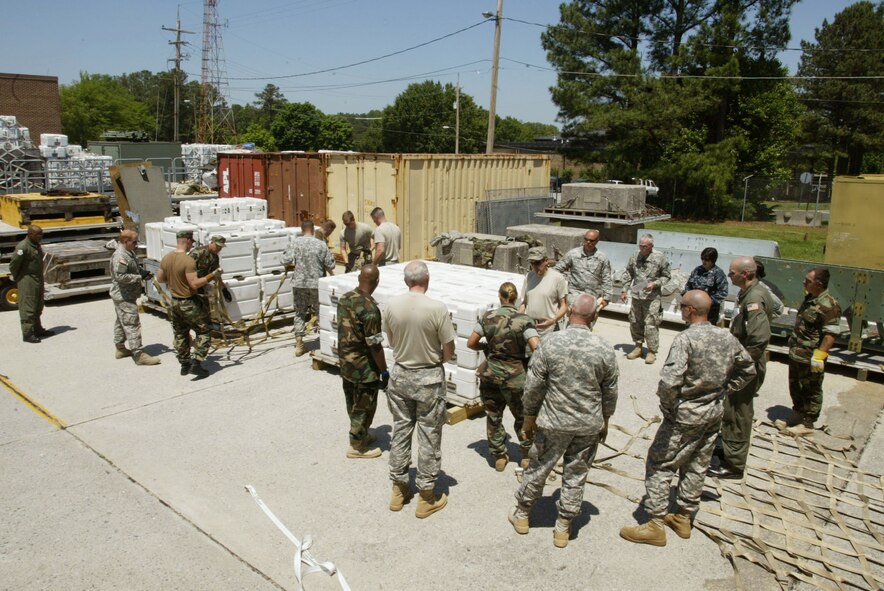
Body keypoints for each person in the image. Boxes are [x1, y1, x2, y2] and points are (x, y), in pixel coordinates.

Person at [619, 291, 755, 546]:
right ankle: (683, 517)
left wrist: (670, 408)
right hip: (712, 414)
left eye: (682, 306)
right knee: (697, 463)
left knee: (660, 464)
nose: (680, 310)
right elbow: (748, 368)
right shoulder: (726, 337)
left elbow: (670, 381)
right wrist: (724, 390)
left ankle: (655, 524)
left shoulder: (686, 339)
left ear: (691, 310)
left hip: (685, 417)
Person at [509, 294, 618, 548]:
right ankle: (563, 527)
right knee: (576, 474)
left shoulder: (550, 343)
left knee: (538, 468)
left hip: (553, 422)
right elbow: (610, 391)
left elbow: (534, 386)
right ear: (594, 317)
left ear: (569, 313)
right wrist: (606, 420)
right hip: (588, 424)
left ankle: (523, 515)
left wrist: (529, 417)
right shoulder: (604, 347)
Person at [383, 261, 455, 518]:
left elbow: (391, 341)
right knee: (429, 435)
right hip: (428, 377)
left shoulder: (391, 305)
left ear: (406, 281)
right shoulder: (437, 308)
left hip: (401, 375)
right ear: (427, 280)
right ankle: (426, 495)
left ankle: (399, 488)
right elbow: (449, 350)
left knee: (401, 430)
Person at [708, 256, 774, 480]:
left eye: (732, 272)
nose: (729, 275)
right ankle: (728, 449)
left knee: (738, 412)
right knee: (731, 407)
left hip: (747, 365)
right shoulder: (748, 293)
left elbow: (758, 338)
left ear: (745, 274)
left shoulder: (754, 298)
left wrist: (741, 365)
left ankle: (734, 464)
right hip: (744, 361)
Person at [467, 282, 540, 472]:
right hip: (516, 378)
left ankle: (499, 456)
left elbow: (471, 342)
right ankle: (525, 454)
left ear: (500, 297)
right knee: (522, 416)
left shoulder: (488, 316)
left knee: (493, 415)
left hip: (490, 375)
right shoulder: (524, 320)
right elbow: (536, 347)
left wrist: (487, 348)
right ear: (515, 298)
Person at [337, 265, 387, 459]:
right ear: (377, 281)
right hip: (364, 366)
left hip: (346, 361)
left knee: (352, 399)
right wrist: (383, 370)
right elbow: (374, 345)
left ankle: (361, 433)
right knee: (365, 403)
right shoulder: (370, 309)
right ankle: (357, 446)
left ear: (359, 278)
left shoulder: (345, 298)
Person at [784, 268, 841, 436]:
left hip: (811, 356)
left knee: (811, 388)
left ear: (819, 284)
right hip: (797, 352)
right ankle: (798, 414)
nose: (804, 282)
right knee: (795, 385)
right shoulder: (811, 298)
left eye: (808, 281)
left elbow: (831, 333)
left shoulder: (829, 305)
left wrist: (820, 355)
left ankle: (808, 424)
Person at [156, 230, 218, 379]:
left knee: (181, 333)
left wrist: (175, 280)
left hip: (174, 302)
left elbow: (160, 279)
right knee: (204, 331)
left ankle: (184, 364)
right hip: (188, 302)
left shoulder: (167, 258)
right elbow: (195, 284)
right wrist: (212, 276)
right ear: (188, 241)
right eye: (192, 242)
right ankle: (196, 363)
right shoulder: (188, 261)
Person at [281, 220, 336, 357]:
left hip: (299, 284)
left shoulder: (295, 242)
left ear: (302, 230)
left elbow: (284, 260)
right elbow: (331, 264)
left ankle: (299, 344)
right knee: (321, 313)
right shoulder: (321, 244)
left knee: (300, 312)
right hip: (316, 285)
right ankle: (324, 342)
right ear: (312, 230)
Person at [110, 229, 160, 366]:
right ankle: (139, 354)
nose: (137, 244)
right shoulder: (120, 256)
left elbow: (131, 268)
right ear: (126, 241)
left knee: (122, 321)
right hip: (123, 296)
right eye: (134, 242)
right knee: (132, 323)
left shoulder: (128, 252)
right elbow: (120, 277)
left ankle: (120, 348)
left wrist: (141, 271)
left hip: (126, 294)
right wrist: (139, 277)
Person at [620, 234, 671, 364]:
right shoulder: (634, 256)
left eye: (645, 246)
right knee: (635, 321)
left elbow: (666, 276)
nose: (642, 249)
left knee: (651, 324)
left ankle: (652, 351)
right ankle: (638, 347)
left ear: (651, 246)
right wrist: (624, 289)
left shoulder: (660, 258)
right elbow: (628, 273)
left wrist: (655, 284)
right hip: (637, 295)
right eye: (640, 246)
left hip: (652, 297)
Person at [553, 229, 613, 328]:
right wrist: (559, 287)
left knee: (588, 324)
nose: (588, 242)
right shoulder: (573, 254)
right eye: (586, 239)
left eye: (592, 240)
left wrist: (607, 298)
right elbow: (558, 269)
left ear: (597, 241)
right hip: (575, 294)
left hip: (592, 295)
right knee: (573, 322)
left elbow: (606, 278)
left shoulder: (602, 258)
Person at [10, 225, 53, 343]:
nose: (41, 236)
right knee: (28, 307)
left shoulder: (35, 245)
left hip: (37, 279)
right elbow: (13, 265)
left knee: (38, 305)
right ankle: (28, 334)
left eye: (41, 234)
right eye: (38, 234)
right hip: (27, 280)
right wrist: (20, 278)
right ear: (30, 234)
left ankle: (37, 329)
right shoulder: (23, 247)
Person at [519, 246, 568, 337]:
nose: (534, 267)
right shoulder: (529, 276)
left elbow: (564, 306)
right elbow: (524, 303)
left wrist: (553, 320)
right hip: (530, 328)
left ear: (546, 261)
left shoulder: (557, 278)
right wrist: (517, 318)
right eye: (532, 263)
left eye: (537, 263)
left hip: (549, 329)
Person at [682, 247, 728, 325]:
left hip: (709, 312)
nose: (704, 262)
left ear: (713, 260)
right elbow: (688, 285)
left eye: (706, 260)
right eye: (702, 259)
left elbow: (723, 292)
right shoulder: (697, 270)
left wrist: (707, 301)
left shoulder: (718, 273)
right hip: (693, 310)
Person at [189, 235, 230, 305]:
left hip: (201, 286)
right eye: (217, 246)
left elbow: (216, 274)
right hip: (190, 285)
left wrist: (224, 289)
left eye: (221, 247)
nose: (219, 249)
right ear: (212, 242)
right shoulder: (198, 252)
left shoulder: (215, 258)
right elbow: (184, 268)